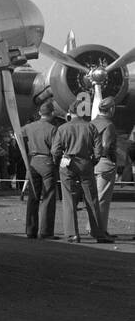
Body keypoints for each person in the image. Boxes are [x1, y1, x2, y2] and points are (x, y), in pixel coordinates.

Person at [52, 100, 113, 244]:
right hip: (86, 163)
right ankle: (98, 233)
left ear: (70, 112)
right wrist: (92, 162)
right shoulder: (90, 127)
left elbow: (55, 150)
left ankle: (73, 234)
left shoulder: (62, 128)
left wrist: (58, 161)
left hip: (68, 163)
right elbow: (99, 151)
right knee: (92, 199)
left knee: (69, 199)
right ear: (81, 112)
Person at [23, 102, 59, 240]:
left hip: (32, 161)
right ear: (52, 113)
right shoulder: (52, 129)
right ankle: (46, 232)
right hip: (47, 161)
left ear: (39, 113)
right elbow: (56, 150)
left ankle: (30, 230)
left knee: (33, 197)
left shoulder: (29, 127)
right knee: (48, 197)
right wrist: (56, 162)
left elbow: (17, 134)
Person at [92, 97, 119, 238]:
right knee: (102, 198)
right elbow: (106, 146)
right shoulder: (108, 125)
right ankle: (99, 230)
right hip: (105, 162)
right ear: (111, 109)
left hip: (92, 164)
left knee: (94, 197)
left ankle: (93, 227)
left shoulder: (92, 123)